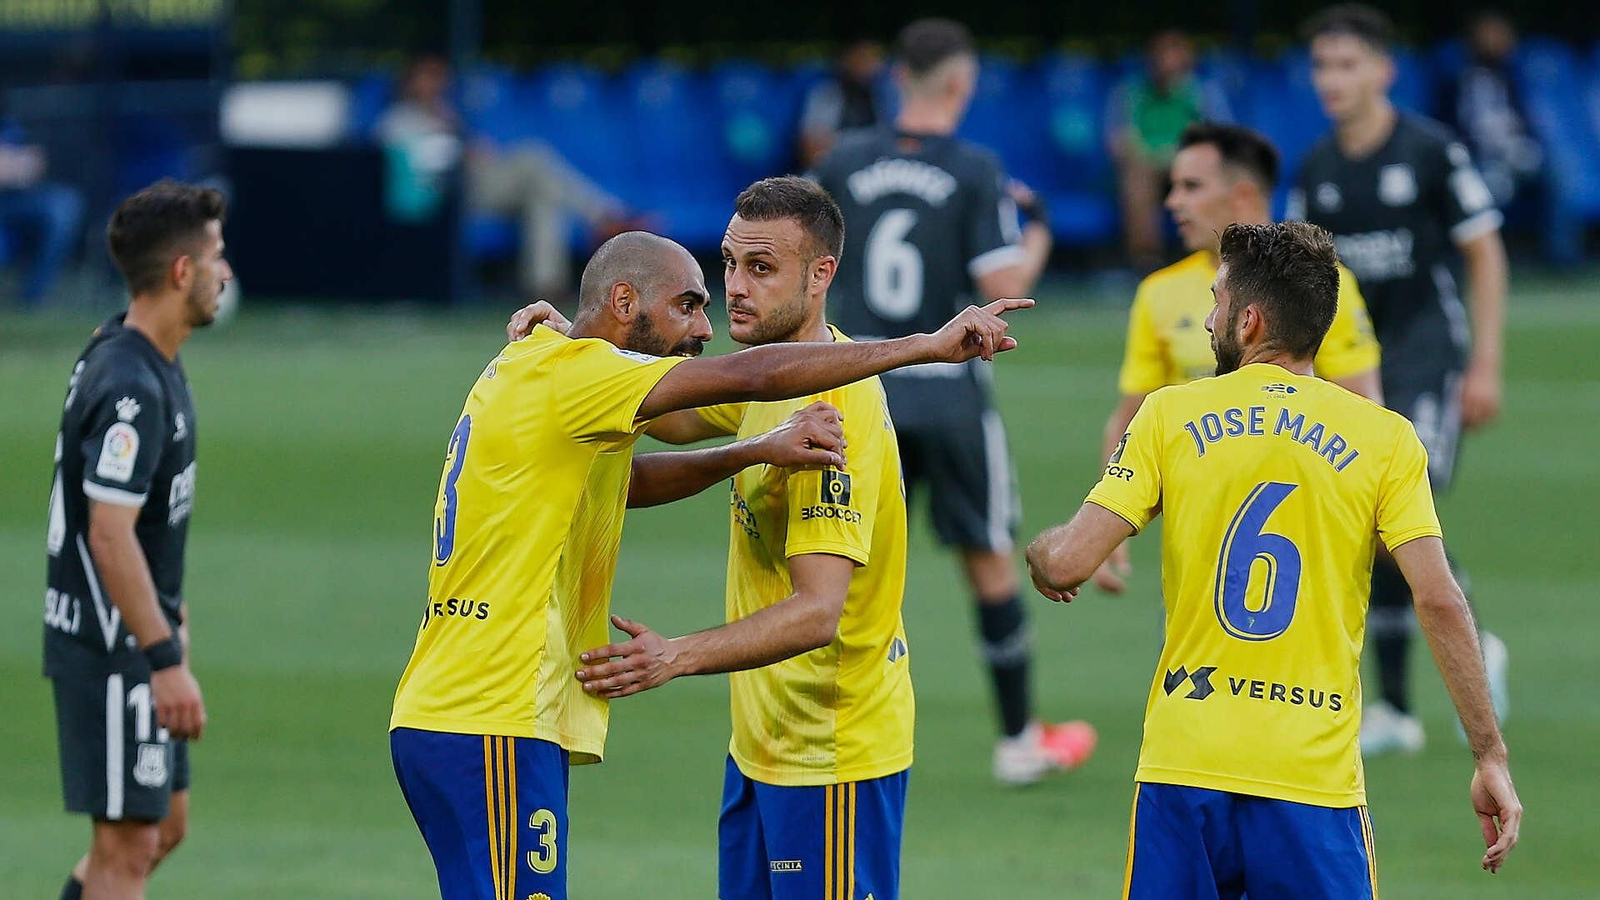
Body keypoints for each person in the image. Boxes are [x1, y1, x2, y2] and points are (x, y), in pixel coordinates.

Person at [389, 229, 1029, 900]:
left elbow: (620, 484)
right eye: (688, 304)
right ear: (625, 299)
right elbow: (754, 374)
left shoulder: (544, 366)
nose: (705, 325)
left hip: (454, 712)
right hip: (490, 711)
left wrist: (750, 452)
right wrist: (925, 347)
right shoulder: (576, 374)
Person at [1026, 221, 1523, 897]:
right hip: (1311, 783)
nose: (1208, 319)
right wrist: (1488, 754)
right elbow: (1437, 598)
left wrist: (1039, 549)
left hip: (1185, 770)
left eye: (1218, 301)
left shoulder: (1171, 416)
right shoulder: (1385, 440)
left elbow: (1067, 565)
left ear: (1251, 320)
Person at [813, 17, 1094, 786]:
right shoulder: (975, 169)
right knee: (988, 564)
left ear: (897, 77)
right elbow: (1007, 294)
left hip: (860, 392)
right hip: (949, 398)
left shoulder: (841, 161)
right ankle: (1017, 742)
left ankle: (826, 732)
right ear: (960, 85)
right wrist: (1033, 232)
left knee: (840, 568)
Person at [1290, 4, 1510, 755]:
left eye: (1347, 65)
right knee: (1369, 517)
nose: (1333, 80)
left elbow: (1485, 252)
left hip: (1427, 358)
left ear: (1383, 71)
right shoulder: (1317, 170)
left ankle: (1468, 652)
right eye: (1322, 66)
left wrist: (1484, 364)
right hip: (1352, 364)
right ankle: (1393, 710)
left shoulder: (1429, 151)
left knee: (1391, 509)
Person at [1093, 121, 1382, 593]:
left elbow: (1366, 412)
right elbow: (1128, 418)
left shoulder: (1325, 288)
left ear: (1243, 195)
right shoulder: (1157, 294)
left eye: (1191, 186)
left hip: (1299, 525)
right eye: (1172, 187)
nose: (1173, 202)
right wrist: (1104, 523)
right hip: (1198, 529)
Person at [45, 180, 230, 899]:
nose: (227, 272)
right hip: (111, 645)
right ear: (182, 272)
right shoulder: (131, 386)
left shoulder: (141, 351)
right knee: (125, 851)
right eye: (217, 255)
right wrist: (162, 659)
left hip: (136, 633)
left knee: (165, 825)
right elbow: (109, 533)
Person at [375, 54, 636, 298]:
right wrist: (459, 149)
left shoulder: (446, 112)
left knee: (543, 197)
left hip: (477, 183)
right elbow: (411, 166)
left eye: (438, 77)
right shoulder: (397, 119)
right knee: (533, 158)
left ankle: (545, 288)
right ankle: (605, 215)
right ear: (410, 81)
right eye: (426, 76)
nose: (434, 84)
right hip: (448, 194)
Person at [1106, 30, 1232, 271]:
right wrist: (1152, 156)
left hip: (1189, 163)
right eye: (1162, 55)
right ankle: (1145, 264)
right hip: (1146, 166)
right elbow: (1119, 141)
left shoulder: (1200, 93)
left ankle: (1210, 261)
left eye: (1176, 55)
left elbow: (1220, 137)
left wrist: (1182, 157)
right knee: (1137, 180)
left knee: (1206, 177)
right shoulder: (1131, 94)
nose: (1169, 64)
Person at [0, 108, 84, 306]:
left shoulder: (14, 122)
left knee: (64, 203)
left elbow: (35, 164)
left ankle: (32, 297)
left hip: (16, 198)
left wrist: (10, 167)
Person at [797, 38, 888, 170]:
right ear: (848, 59)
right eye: (864, 57)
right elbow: (811, 145)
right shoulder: (828, 93)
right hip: (837, 168)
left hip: (871, 170)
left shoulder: (880, 94)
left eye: (875, 58)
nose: (874, 65)